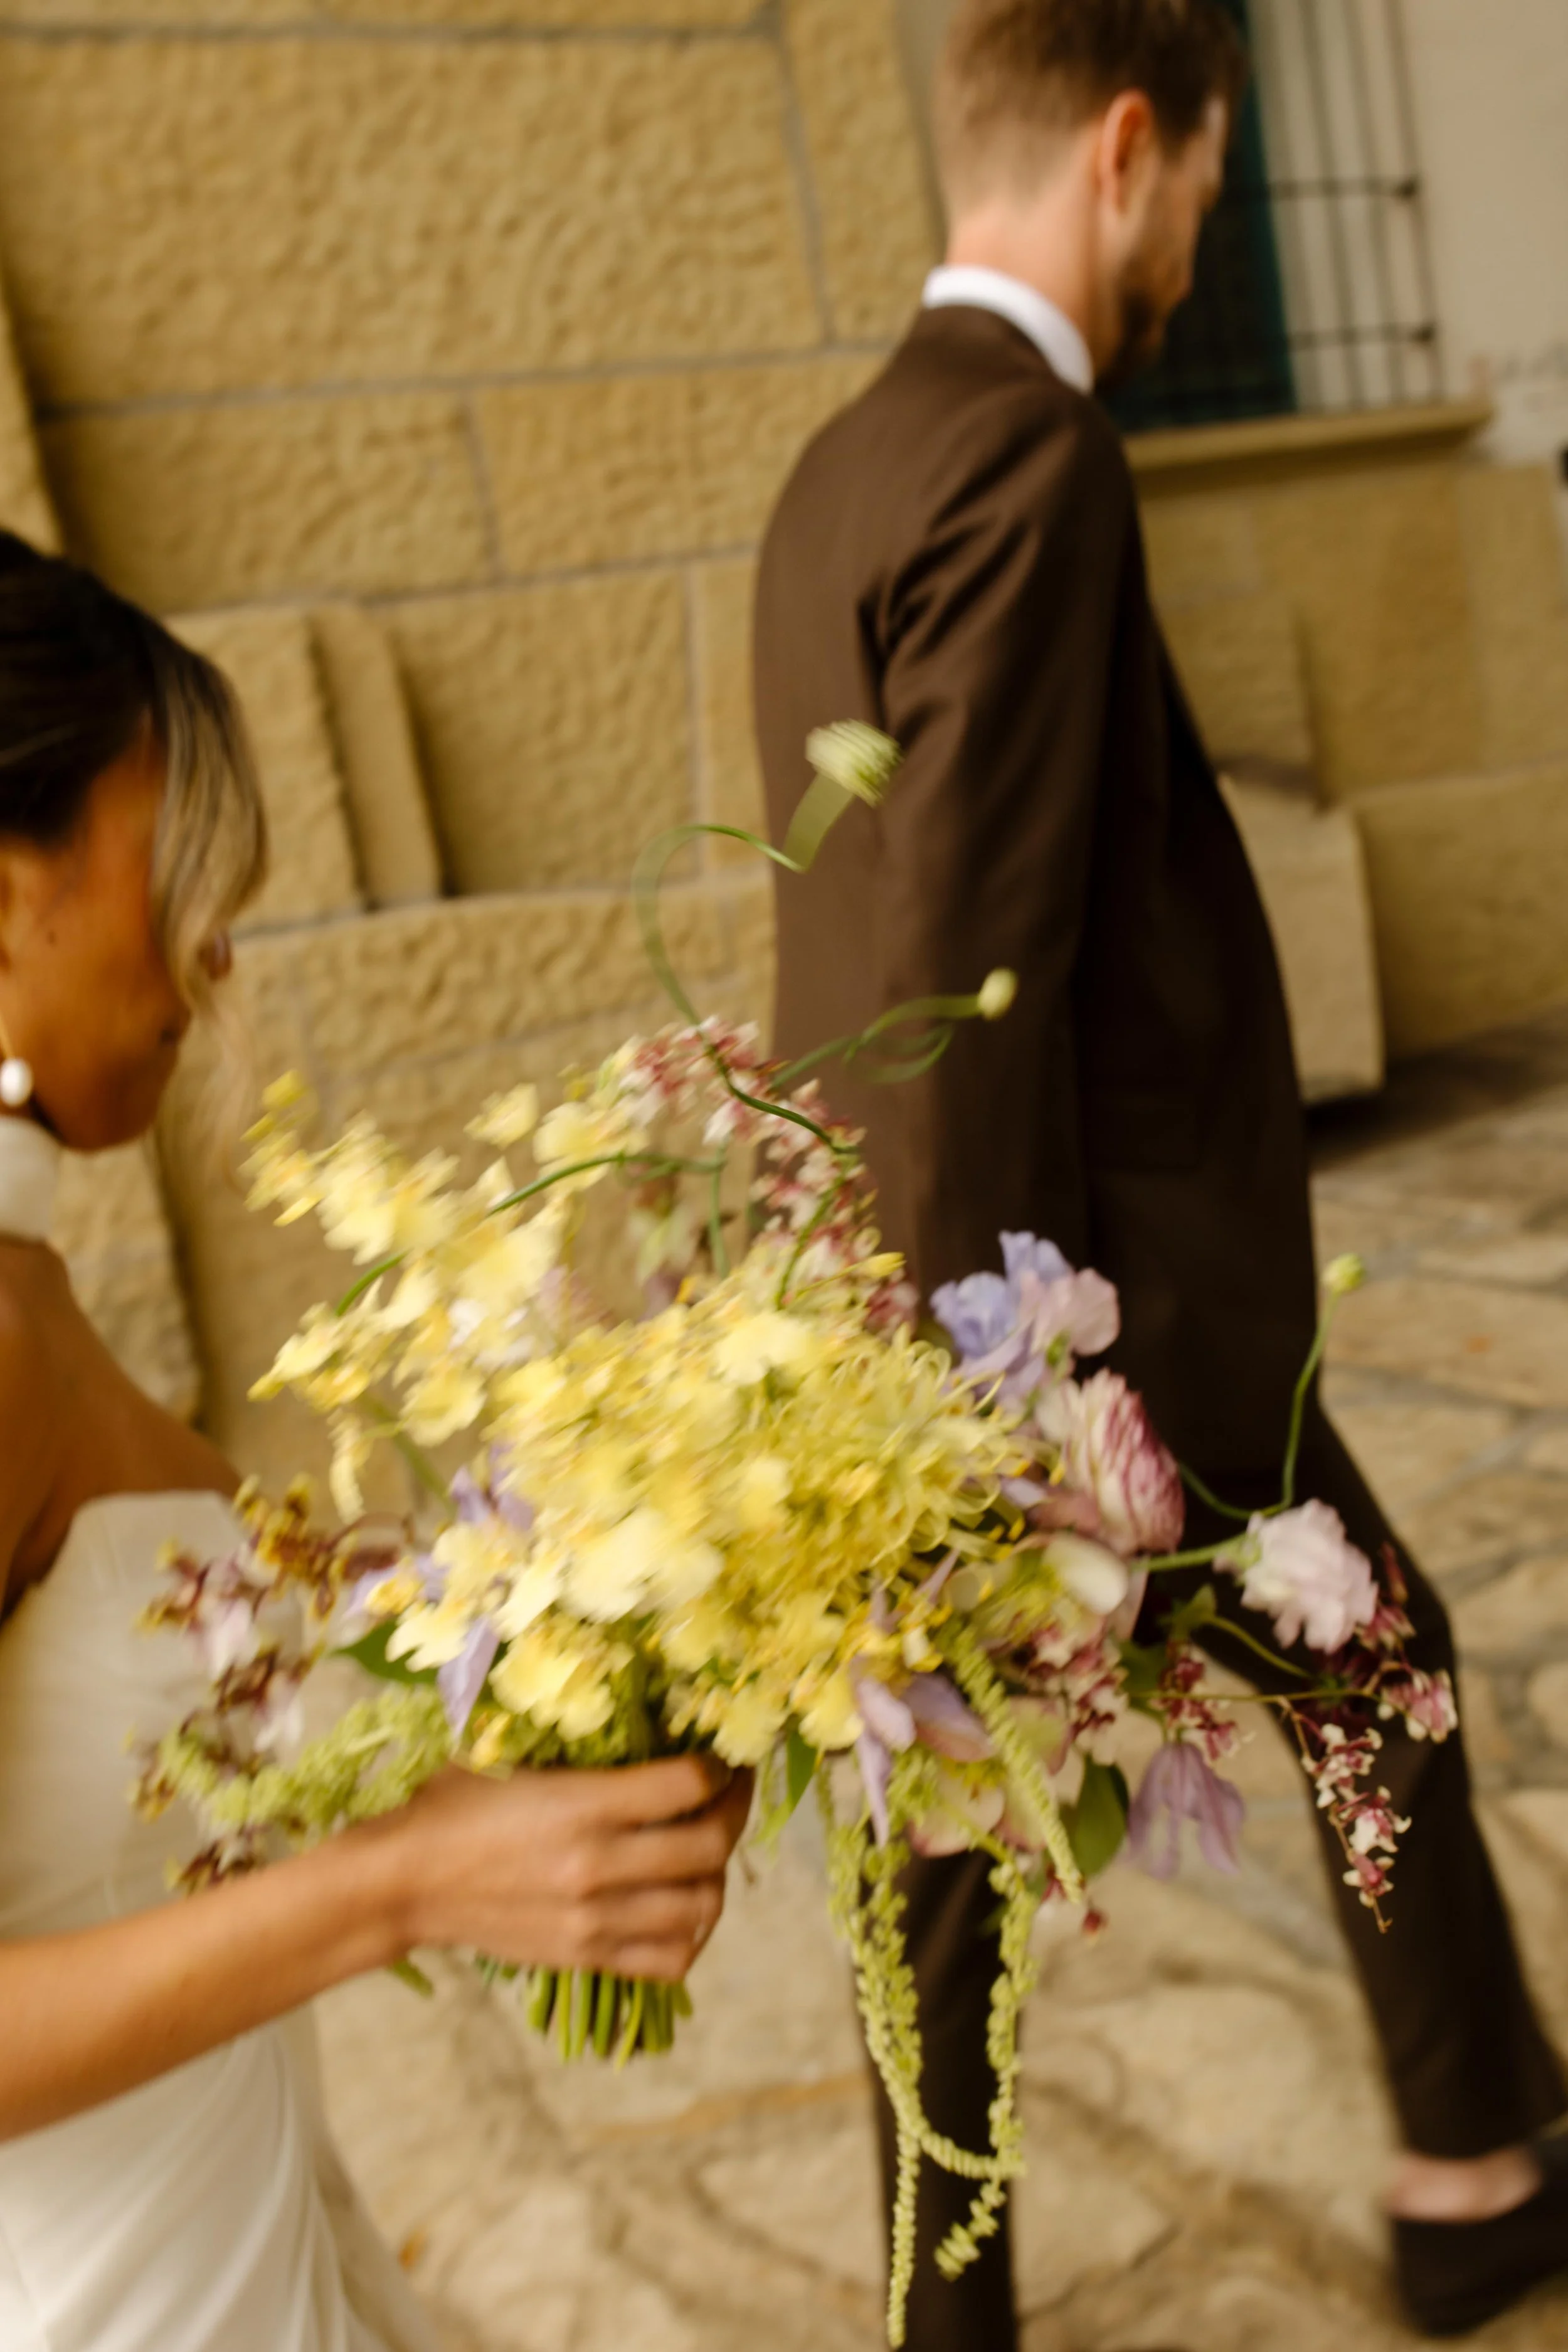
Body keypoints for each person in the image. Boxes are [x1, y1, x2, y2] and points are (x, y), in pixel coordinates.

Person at [753, 3, 1568, 2342]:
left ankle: (1419, 2166)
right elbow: (962, 961)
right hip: (1089, 1318)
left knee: (951, 1836)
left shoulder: (839, 462)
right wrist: (1001, 1402)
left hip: (929, 1292)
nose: (1200, 238)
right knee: (1354, 1666)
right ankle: (1467, 2163)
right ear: (1128, 147)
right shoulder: (1031, 456)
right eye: (1204, 186)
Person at [0, 531, 751, 2351]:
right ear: (6, 890)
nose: (213, 947)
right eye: (173, 863)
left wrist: (608, 1650)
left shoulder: (27, 1277)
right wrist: (407, 1883)